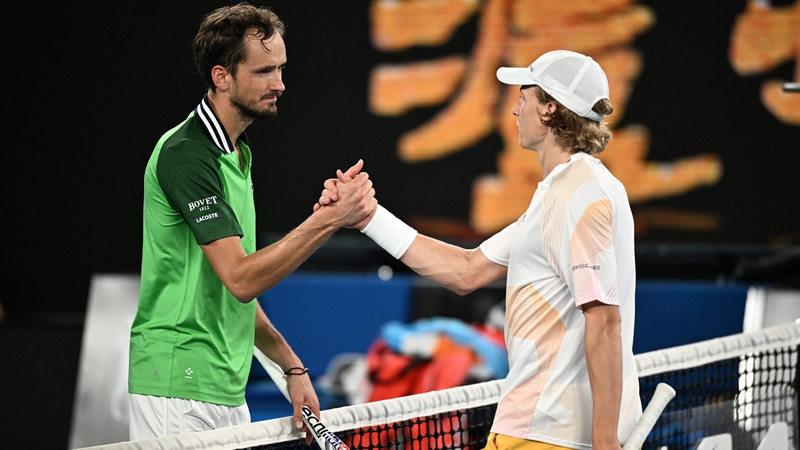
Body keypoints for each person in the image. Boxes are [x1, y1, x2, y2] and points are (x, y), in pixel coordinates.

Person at [319, 50, 641, 450]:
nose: (516, 109)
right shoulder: (568, 192)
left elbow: (605, 320)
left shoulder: (579, 195)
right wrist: (368, 216)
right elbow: (466, 270)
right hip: (540, 429)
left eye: (524, 97)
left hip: (548, 433)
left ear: (550, 110)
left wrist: (605, 441)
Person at [128, 3, 376, 441]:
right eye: (264, 72)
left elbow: (231, 296)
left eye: (280, 69)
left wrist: (291, 366)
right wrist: (328, 220)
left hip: (225, 386)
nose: (280, 84)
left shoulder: (237, 154)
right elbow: (242, 279)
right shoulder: (187, 155)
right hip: (177, 383)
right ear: (221, 77)